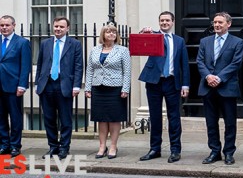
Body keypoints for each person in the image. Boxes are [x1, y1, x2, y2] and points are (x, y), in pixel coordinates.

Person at [138, 11, 190, 163]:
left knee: (174, 117)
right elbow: (140, 43)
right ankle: (155, 149)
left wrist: (185, 84)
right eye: (162, 20)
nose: (164, 23)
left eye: (167, 20)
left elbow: (184, 64)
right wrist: (144, 32)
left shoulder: (179, 41)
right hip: (154, 82)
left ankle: (175, 150)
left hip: (172, 82)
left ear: (172, 22)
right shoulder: (153, 36)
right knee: (155, 117)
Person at [196, 12, 243, 165]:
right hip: (207, 87)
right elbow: (200, 61)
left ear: (228, 24)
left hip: (227, 87)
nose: (216, 25)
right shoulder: (205, 41)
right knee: (211, 122)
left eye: (220, 22)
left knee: (230, 123)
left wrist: (219, 78)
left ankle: (229, 152)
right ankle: (214, 151)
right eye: (215, 22)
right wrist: (208, 76)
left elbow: (236, 63)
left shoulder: (237, 42)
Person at [35, 16, 83, 160]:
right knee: (49, 118)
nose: (58, 29)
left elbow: (79, 66)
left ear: (67, 29)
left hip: (65, 85)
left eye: (61, 27)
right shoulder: (45, 43)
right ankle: (53, 147)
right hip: (47, 85)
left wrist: (76, 85)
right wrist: (38, 83)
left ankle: (64, 148)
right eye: (56, 26)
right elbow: (40, 64)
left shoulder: (74, 44)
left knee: (65, 119)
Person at [85, 23, 131, 159]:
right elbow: (89, 70)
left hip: (115, 88)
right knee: (101, 119)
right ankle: (101, 146)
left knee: (114, 119)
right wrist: (87, 88)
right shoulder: (94, 50)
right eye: (108, 32)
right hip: (98, 87)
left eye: (114, 32)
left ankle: (113, 146)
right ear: (103, 34)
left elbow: (127, 71)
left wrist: (125, 88)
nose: (111, 34)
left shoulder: (123, 50)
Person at [0, 15, 31, 157]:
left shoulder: (22, 42)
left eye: (7, 25)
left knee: (15, 117)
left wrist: (22, 85)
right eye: (2, 25)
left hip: (14, 86)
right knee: (0, 117)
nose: (4, 28)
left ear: (14, 25)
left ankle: (15, 146)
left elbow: (25, 66)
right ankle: (4, 144)